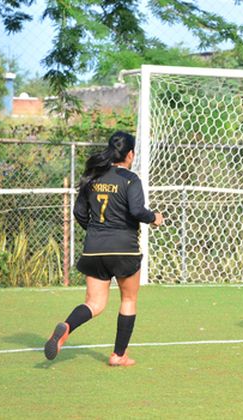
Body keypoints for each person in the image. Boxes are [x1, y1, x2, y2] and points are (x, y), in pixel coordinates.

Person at [43, 131, 164, 366]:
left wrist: (96, 232)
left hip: (94, 248)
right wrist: (154, 218)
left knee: (94, 304)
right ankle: (118, 355)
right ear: (130, 154)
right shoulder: (130, 179)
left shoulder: (93, 177)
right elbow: (137, 210)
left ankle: (67, 326)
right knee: (128, 300)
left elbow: (79, 212)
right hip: (124, 249)